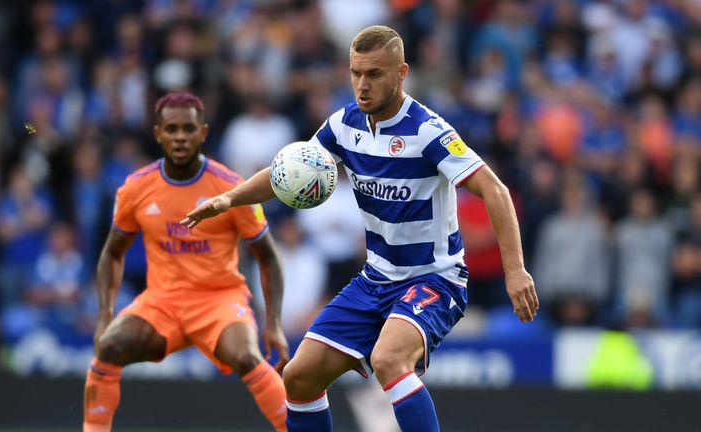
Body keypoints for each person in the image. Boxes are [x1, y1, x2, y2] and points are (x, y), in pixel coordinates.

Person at [182, 26, 538, 432]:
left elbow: (494, 189)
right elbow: (290, 171)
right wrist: (231, 198)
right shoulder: (344, 124)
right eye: (356, 73)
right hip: (375, 279)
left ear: (401, 73)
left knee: (389, 359)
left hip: (434, 279)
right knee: (298, 377)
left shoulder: (427, 131)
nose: (362, 85)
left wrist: (516, 270)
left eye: (374, 74)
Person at [83, 92, 289, 432]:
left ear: (203, 133)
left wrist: (275, 324)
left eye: (188, 129)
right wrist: (105, 315)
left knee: (247, 357)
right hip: (162, 302)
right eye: (172, 129)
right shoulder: (136, 188)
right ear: (158, 134)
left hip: (219, 300)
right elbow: (111, 253)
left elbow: (268, 257)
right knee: (109, 346)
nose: (180, 136)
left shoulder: (231, 188)